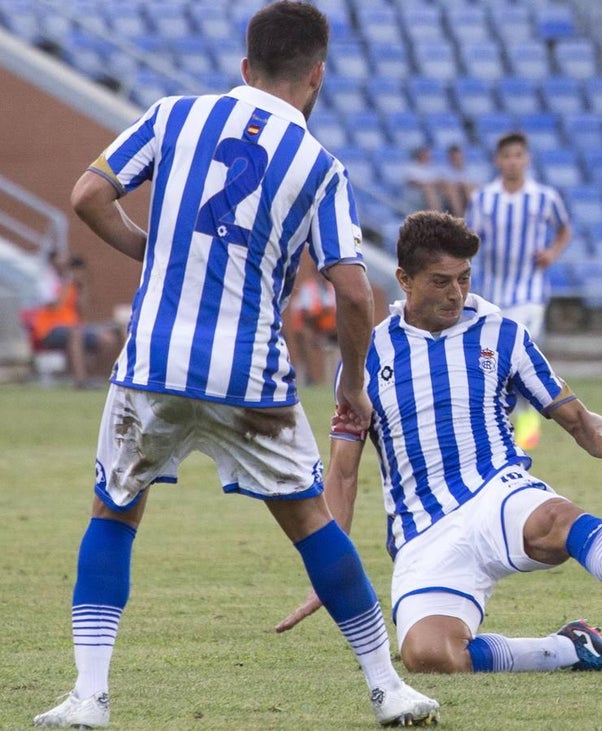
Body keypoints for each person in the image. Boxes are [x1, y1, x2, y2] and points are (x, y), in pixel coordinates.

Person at [33, 3, 438, 727]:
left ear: (245, 68)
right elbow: (353, 289)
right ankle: (388, 688)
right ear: (316, 77)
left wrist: (147, 250)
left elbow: (87, 196)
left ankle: (89, 696)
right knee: (312, 521)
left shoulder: (173, 115)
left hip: (151, 360)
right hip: (247, 375)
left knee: (115, 512)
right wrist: (351, 382)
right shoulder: (319, 165)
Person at [274, 210, 602, 676]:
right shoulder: (366, 356)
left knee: (554, 519)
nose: (456, 293)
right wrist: (328, 564)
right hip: (423, 530)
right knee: (429, 657)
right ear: (404, 279)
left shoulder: (503, 334)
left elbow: (577, 417)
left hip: (497, 492)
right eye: (441, 281)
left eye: (464, 278)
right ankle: (571, 649)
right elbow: (343, 473)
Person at [466, 131, 571, 450]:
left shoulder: (544, 197)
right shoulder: (484, 198)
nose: (512, 162)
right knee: (496, 360)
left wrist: (552, 253)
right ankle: (511, 415)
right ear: (498, 161)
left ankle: (526, 416)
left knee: (519, 351)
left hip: (530, 291)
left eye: (518, 155)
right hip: (494, 291)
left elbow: (564, 229)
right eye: (506, 156)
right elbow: (468, 238)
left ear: (526, 159)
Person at [22, 250, 121, 388]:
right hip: (49, 330)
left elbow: (84, 310)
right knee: (75, 334)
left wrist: (83, 285)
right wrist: (67, 284)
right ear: (53, 263)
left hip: (74, 327)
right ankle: (81, 381)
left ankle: (96, 377)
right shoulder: (46, 282)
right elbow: (55, 306)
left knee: (108, 339)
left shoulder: (73, 284)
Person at [285, 264, 338, 387]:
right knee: (303, 334)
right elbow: (305, 315)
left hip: (332, 330)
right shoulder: (308, 289)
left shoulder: (333, 289)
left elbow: (340, 313)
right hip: (314, 328)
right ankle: (310, 377)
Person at [439, 144, 480, 217]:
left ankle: (474, 216)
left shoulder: (471, 169)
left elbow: (477, 184)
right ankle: (460, 217)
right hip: (452, 194)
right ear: (450, 158)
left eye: (458, 157)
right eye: (454, 157)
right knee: (453, 191)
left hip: (467, 192)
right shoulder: (443, 170)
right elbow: (443, 185)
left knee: (467, 188)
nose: (457, 159)